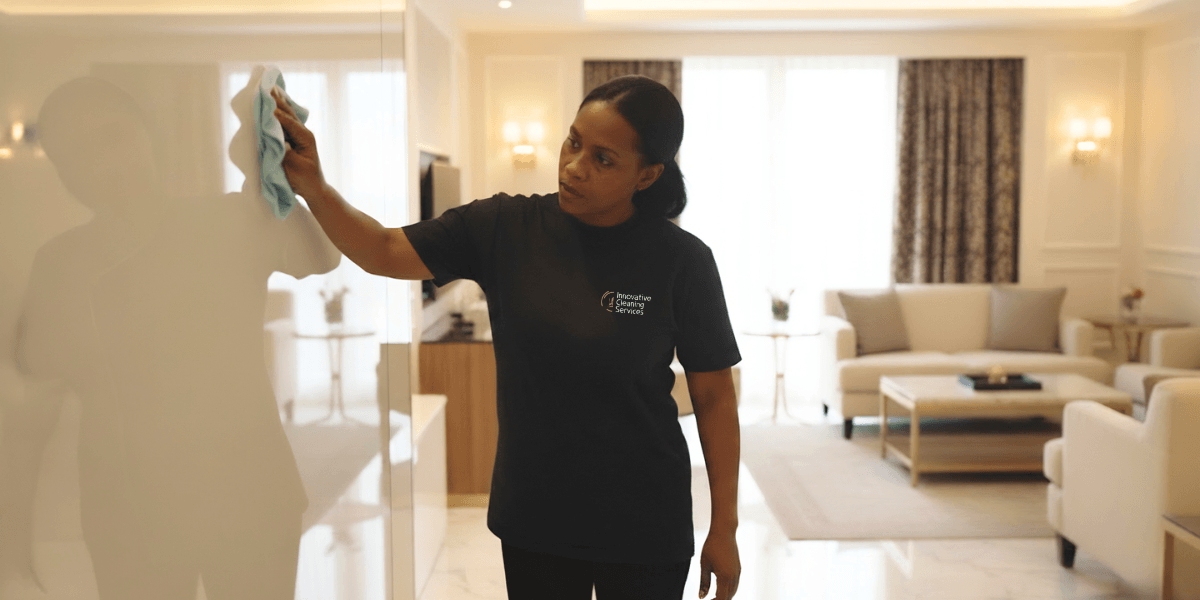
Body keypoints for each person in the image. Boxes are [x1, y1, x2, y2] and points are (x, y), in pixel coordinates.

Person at [273, 74, 742, 600]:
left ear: (647, 175)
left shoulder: (683, 262)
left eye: (603, 159)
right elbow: (383, 250)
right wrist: (315, 186)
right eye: (573, 142)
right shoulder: (503, 227)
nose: (574, 166)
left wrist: (724, 528)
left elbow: (714, 398)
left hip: (645, 522)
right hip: (536, 517)